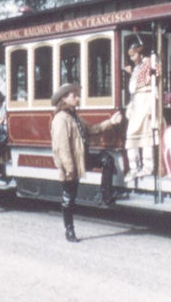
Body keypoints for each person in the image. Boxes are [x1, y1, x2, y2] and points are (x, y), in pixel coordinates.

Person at [50, 83, 123, 242]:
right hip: (71, 165)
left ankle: (106, 195)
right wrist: (69, 169)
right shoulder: (61, 119)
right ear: (64, 98)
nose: (77, 98)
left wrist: (111, 122)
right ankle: (69, 230)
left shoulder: (74, 117)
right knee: (69, 198)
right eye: (74, 96)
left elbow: (92, 129)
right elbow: (62, 148)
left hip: (81, 158)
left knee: (106, 159)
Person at [123, 39, 154, 182]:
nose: (132, 58)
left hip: (146, 102)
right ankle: (134, 167)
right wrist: (130, 105)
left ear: (140, 53)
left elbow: (151, 85)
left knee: (146, 135)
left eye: (133, 55)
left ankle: (148, 167)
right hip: (137, 103)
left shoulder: (149, 64)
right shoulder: (137, 68)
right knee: (132, 135)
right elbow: (133, 91)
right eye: (130, 56)